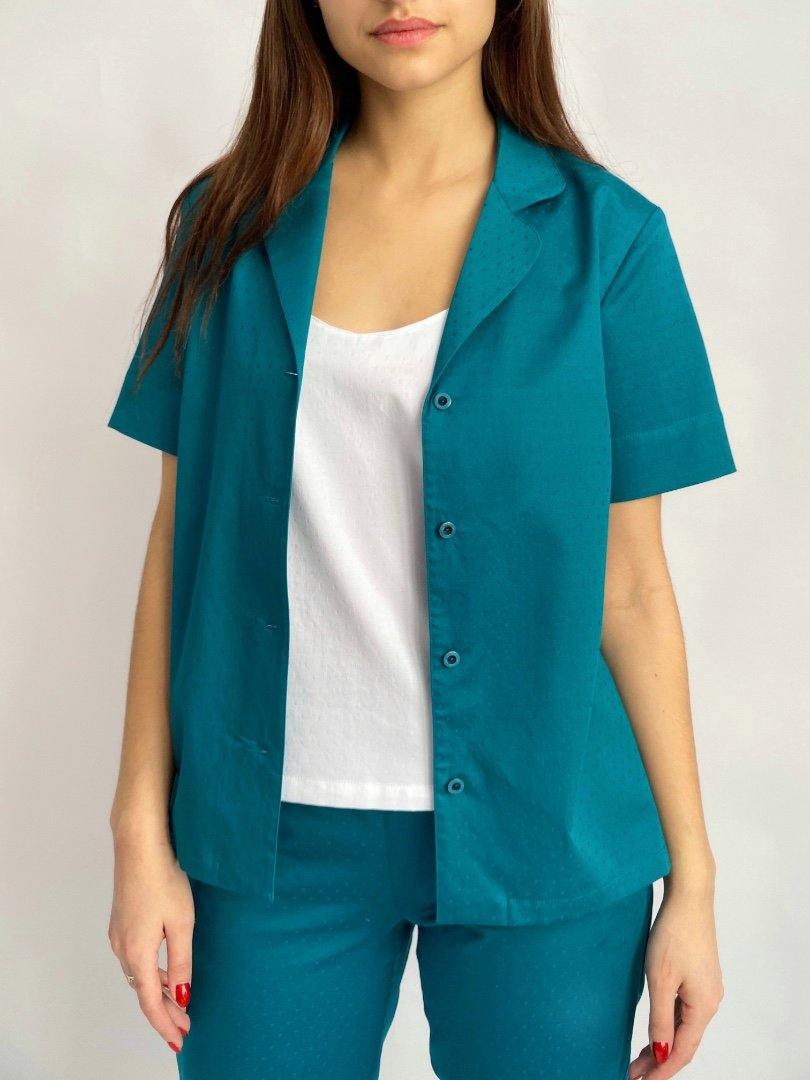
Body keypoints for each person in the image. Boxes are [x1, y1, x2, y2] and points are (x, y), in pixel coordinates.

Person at [106, 2, 736, 1077]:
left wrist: (694, 884)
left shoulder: (610, 240)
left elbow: (631, 588)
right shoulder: (225, 228)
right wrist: (139, 833)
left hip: (546, 831)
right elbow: (181, 545)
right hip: (266, 839)